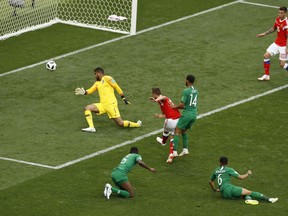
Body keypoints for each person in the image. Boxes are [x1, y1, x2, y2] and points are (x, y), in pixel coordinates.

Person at [75, 67, 142, 132]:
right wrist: (84, 92)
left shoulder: (107, 78)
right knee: (87, 108)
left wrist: (123, 97)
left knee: (120, 124)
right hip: (103, 105)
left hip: (111, 105)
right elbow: (90, 90)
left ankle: (137, 125)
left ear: (99, 73)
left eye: (95, 74)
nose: (95, 76)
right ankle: (92, 127)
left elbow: (116, 86)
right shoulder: (97, 83)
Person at [209, 156, 278, 205]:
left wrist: (215, 189)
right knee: (249, 192)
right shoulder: (229, 169)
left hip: (223, 193)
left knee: (242, 194)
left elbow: (210, 181)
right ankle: (269, 199)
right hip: (229, 189)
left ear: (220, 162)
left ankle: (248, 199)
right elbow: (241, 177)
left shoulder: (216, 170)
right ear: (227, 163)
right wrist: (248, 173)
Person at [149, 87, 181, 163]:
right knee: (172, 136)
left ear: (154, 94)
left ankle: (163, 142)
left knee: (166, 128)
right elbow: (164, 114)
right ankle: (171, 155)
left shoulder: (163, 98)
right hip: (178, 119)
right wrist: (158, 116)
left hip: (172, 120)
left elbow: (162, 97)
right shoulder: (161, 103)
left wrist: (155, 100)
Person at [256, 6, 288, 81]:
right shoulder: (277, 19)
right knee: (266, 55)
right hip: (277, 43)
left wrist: (287, 48)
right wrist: (264, 33)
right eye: (279, 12)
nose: (280, 14)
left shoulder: (286, 23)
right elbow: (274, 28)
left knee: (282, 64)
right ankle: (266, 75)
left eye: (281, 13)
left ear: (285, 13)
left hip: (284, 46)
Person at [170, 74, 198, 157]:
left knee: (177, 130)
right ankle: (185, 149)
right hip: (194, 114)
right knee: (184, 131)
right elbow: (190, 104)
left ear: (187, 81)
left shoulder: (186, 91)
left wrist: (174, 107)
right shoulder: (196, 90)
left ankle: (174, 152)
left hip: (187, 115)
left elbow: (182, 105)